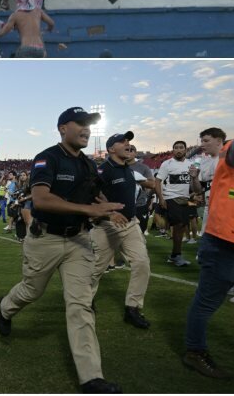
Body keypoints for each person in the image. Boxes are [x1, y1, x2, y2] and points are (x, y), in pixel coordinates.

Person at [0, 107, 124, 394]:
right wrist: (89, 209)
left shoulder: (89, 165)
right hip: (46, 239)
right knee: (32, 291)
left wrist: (106, 210)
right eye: (80, 124)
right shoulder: (47, 157)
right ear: (62, 128)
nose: (86, 129)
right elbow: (40, 200)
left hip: (79, 240)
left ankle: (91, 377)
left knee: (81, 304)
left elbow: (94, 195)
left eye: (89, 125)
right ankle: (5, 308)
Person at [90, 130, 152, 329]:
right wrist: (108, 212)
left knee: (142, 263)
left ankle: (132, 308)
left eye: (128, 141)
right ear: (110, 149)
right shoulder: (103, 171)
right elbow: (92, 196)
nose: (127, 144)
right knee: (96, 268)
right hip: (107, 226)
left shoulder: (128, 168)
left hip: (130, 223)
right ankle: (84, 301)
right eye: (122, 141)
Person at [157, 140, 197, 267]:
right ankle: (177, 255)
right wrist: (161, 198)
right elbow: (157, 182)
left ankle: (174, 255)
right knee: (179, 225)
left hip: (185, 200)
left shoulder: (191, 164)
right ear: (173, 150)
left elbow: (192, 183)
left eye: (181, 148)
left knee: (182, 227)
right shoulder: (167, 164)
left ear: (186, 150)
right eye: (176, 148)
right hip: (171, 198)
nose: (179, 150)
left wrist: (194, 194)